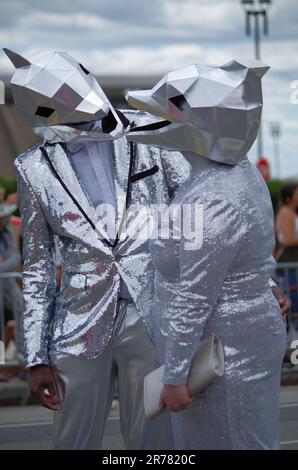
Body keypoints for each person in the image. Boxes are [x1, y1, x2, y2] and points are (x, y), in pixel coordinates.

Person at [4, 48, 190, 449]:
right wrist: (34, 355)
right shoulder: (33, 167)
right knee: (74, 440)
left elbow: (197, 213)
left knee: (154, 439)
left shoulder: (149, 131)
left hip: (152, 311)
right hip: (78, 322)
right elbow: (37, 267)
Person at [126, 59, 288, 449]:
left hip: (220, 356)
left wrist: (176, 376)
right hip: (229, 341)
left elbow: (194, 294)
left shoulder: (214, 196)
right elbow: (240, 257)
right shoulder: (227, 177)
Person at [0, 203, 23, 370]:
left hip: (8, 286)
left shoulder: (8, 235)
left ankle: (24, 359)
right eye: (4, 217)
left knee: (22, 313)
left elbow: (16, 258)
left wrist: (2, 266)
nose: (7, 220)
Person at [275, 184, 298, 329]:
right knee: (294, 305)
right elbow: (287, 239)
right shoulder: (286, 213)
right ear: (289, 198)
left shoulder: (291, 212)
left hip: (292, 265)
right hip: (289, 264)